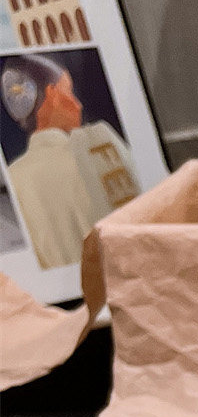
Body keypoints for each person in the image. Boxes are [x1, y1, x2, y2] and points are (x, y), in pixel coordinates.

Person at [1, 53, 139, 270]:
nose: (78, 105)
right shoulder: (99, 148)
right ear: (52, 95)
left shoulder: (14, 179)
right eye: (69, 92)